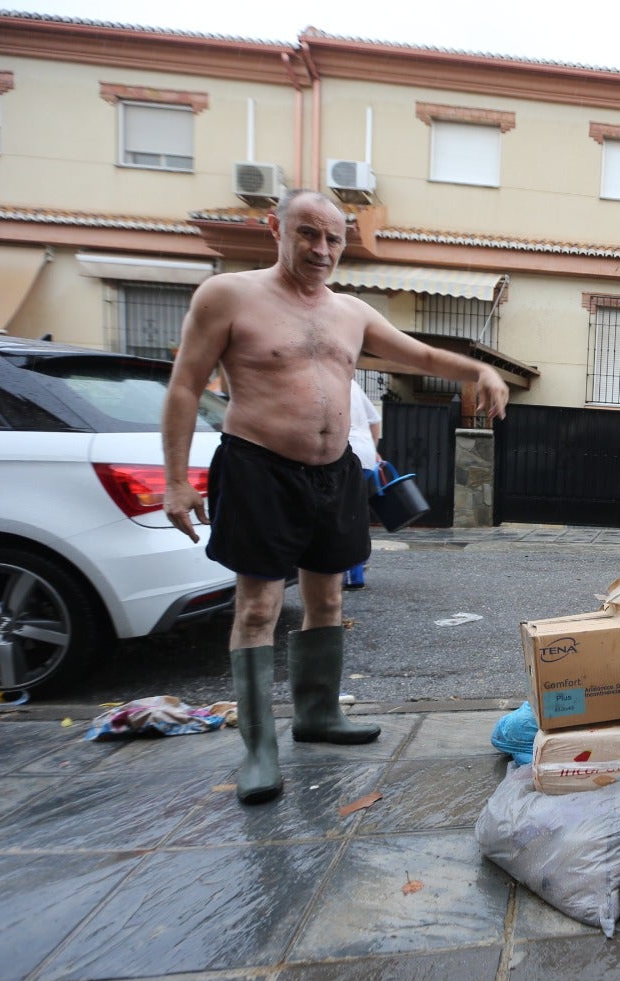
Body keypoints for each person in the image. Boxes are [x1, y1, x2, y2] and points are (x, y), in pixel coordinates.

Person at [161, 188, 509, 805]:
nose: (321, 249)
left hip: (335, 472)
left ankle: (318, 716)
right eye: (307, 234)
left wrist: (478, 370)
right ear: (276, 228)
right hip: (259, 468)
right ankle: (260, 749)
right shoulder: (229, 296)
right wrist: (175, 480)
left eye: (333, 238)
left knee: (327, 601)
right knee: (258, 610)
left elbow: (421, 353)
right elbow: (186, 385)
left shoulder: (351, 311)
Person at [344, 379, 381, 591]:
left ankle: (353, 574)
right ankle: (360, 560)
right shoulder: (353, 384)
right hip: (366, 455)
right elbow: (375, 420)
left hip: (346, 454)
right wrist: (373, 450)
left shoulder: (329, 379)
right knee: (356, 512)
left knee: (344, 515)